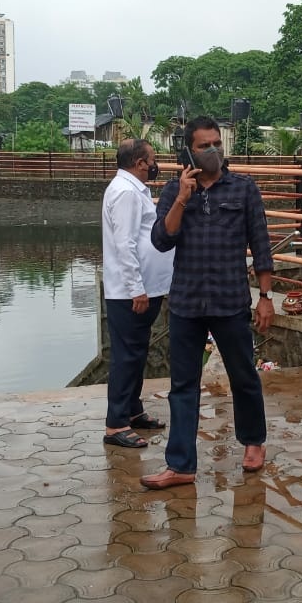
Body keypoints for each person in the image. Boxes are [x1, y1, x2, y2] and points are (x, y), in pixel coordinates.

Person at [143, 116, 275, 489]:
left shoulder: (243, 188)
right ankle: (181, 464)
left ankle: (253, 441)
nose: (213, 150)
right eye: (204, 146)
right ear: (189, 150)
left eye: (217, 142)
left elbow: (261, 244)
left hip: (230, 300)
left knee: (244, 377)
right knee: (183, 385)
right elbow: (161, 240)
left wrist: (265, 297)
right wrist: (183, 199)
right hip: (186, 302)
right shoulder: (173, 191)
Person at [100, 139, 173, 448]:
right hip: (131, 292)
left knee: (136, 353)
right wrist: (137, 289)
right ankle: (115, 425)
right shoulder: (126, 193)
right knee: (126, 357)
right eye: (152, 160)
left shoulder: (134, 190)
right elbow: (124, 244)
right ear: (140, 163)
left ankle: (132, 411)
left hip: (145, 288)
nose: (155, 165)